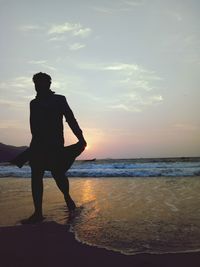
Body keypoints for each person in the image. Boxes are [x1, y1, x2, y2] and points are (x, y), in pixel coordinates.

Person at [23, 72, 87, 224]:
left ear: (49, 84)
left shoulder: (59, 100)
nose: (38, 86)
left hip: (55, 144)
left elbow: (70, 119)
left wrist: (81, 138)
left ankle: (67, 196)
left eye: (41, 83)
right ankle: (38, 212)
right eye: (36, 84)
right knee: (36, 176)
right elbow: (33, 126)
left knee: (58, 174)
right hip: (38, 145)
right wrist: (33, 148)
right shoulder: (34, 103)